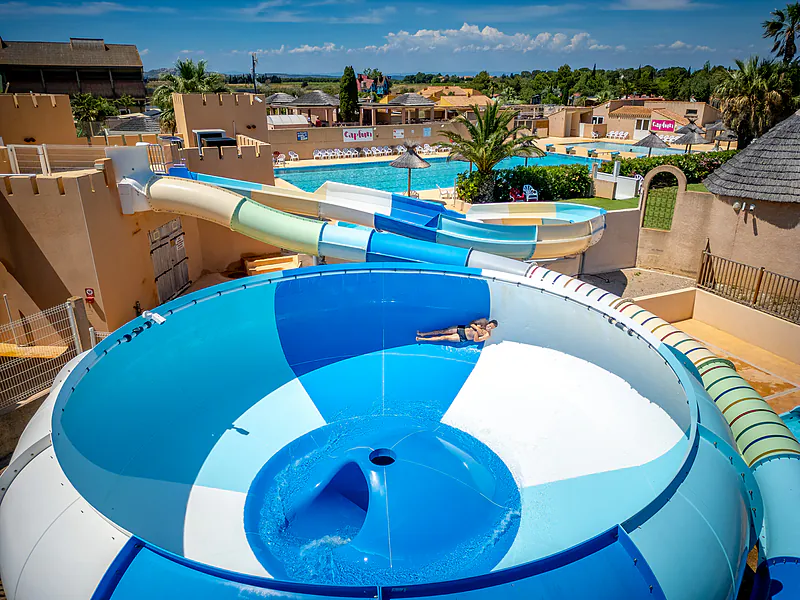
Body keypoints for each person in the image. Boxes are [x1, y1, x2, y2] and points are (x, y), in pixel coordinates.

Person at [416, 319, 498, 344]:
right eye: (490, 325)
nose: (489, 327)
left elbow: (476, 340)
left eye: (491, 328)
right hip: (462, 329)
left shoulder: (487, 335)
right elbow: (471, 323)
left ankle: (422, 339)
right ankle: (424, 334)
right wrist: (477, 328)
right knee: (443, 331)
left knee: (444, 337)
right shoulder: (483, 321)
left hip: (463, 337)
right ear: (489, 322)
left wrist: (477, 333)